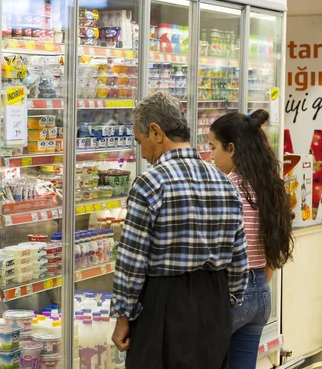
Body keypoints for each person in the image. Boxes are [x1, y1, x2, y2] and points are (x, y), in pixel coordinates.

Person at [110, 92, 249, 368]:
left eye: (141, 141)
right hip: (215, 303)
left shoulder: (150, 183)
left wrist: (123, 316)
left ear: (156, 132)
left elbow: (132, 260)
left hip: (163, 305)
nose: (142, 152)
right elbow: (238, 259)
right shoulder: (225, 183)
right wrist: (224, 301)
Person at [209, 110, 293, 369]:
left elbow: (219, 250)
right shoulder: (268, 186)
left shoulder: (227, 188)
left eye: (213, 147)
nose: (211, 156)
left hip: (232, 293)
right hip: (261, 294)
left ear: (231, 148)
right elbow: (271, 250)